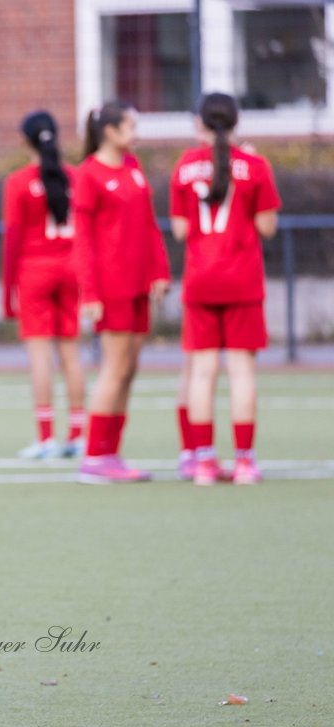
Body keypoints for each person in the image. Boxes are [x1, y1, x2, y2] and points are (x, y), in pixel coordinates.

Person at [169, 93, 280, 486]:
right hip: (242, 278)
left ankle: (203, 462)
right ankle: (245, 462)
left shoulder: (184, 166)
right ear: (237, 122)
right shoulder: (254, 166)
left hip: (201, 279)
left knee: (201, 373)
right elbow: (267, 227)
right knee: (242, 371)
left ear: (200, 122)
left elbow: (181, 231)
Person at [72, 100, 170, 484]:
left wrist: (159, 271)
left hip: (137, 285)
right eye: (130, 126)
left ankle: (112, 453)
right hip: (110, 287)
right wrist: (90, 294)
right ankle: (94, 456)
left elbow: (148, 224)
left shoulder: (133, 168)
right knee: (114, 369)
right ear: (109, 131)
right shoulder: (89, 175)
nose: (136, 133)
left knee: (129, 370)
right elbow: (82, 241)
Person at [1, 110, 87, 459]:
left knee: (40, 355)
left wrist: (8, 292)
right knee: (71, 354)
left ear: (24, 140)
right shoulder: (76, 176)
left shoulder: (19, 182)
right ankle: (79, 435)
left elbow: (12, 240)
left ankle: (47, 437)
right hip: (72, 268)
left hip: (35, 271)